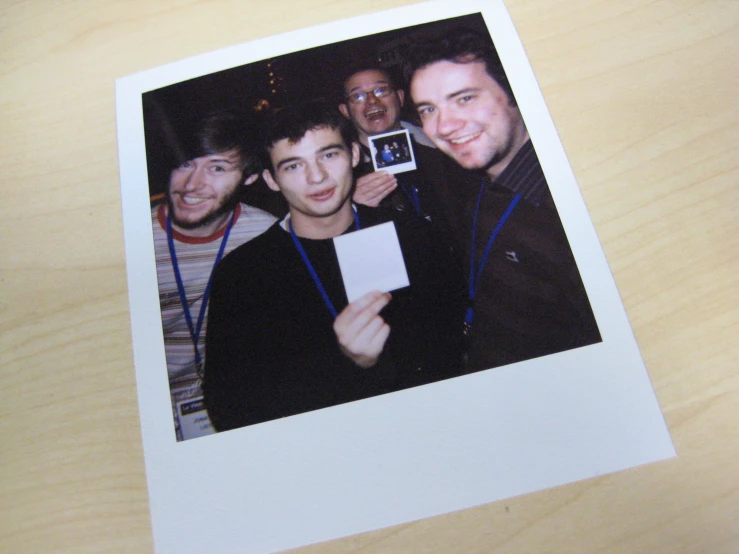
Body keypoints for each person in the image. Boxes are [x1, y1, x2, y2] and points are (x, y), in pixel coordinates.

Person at [203, 102, 463, 432]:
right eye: (293, 166)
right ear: (270, 179)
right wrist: (346, 364)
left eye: (328, 155)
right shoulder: (243, 275)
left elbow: (449, 353)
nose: (317, 177)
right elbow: (230, 407)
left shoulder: (412, 237)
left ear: (355, 155)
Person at [407, 30, 601, 372]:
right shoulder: (482, 184)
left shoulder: (572, 213)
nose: (445, 125)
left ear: (515, 94)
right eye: (428, 109)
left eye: (464, 98)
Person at [151, 111, 277, 440]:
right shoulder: (134, 243)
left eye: (217, 168)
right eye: (185, 164)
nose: (192, 185)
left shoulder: (264, 234)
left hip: (242, 414)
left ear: (249, 178)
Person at [338, 65, 468, 244]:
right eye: (358, 96)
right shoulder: (338, 174)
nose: (372, 101)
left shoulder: (445, 151)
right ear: (345, 111)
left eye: (381, 90)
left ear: (399, 97)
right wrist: (347, 206)